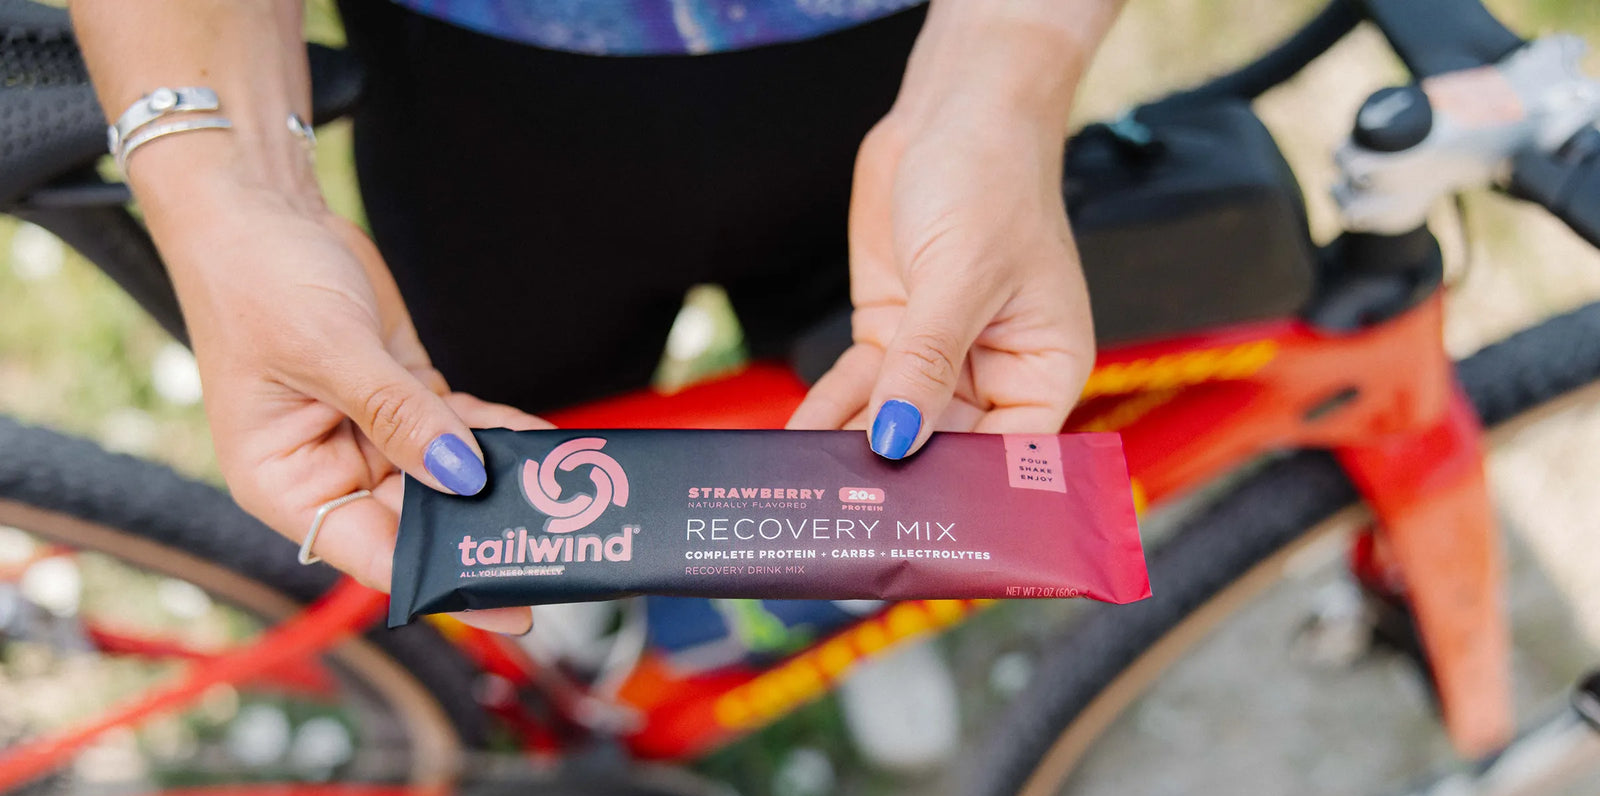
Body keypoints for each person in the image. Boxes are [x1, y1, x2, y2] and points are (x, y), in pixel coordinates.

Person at [71, 0, 1123, 637]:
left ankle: (847, 604)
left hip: (894, 77)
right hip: (479, 106)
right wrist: (225, 184)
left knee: (876, 415)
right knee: (512, 447)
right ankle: (578, 628)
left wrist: (1005, 68)